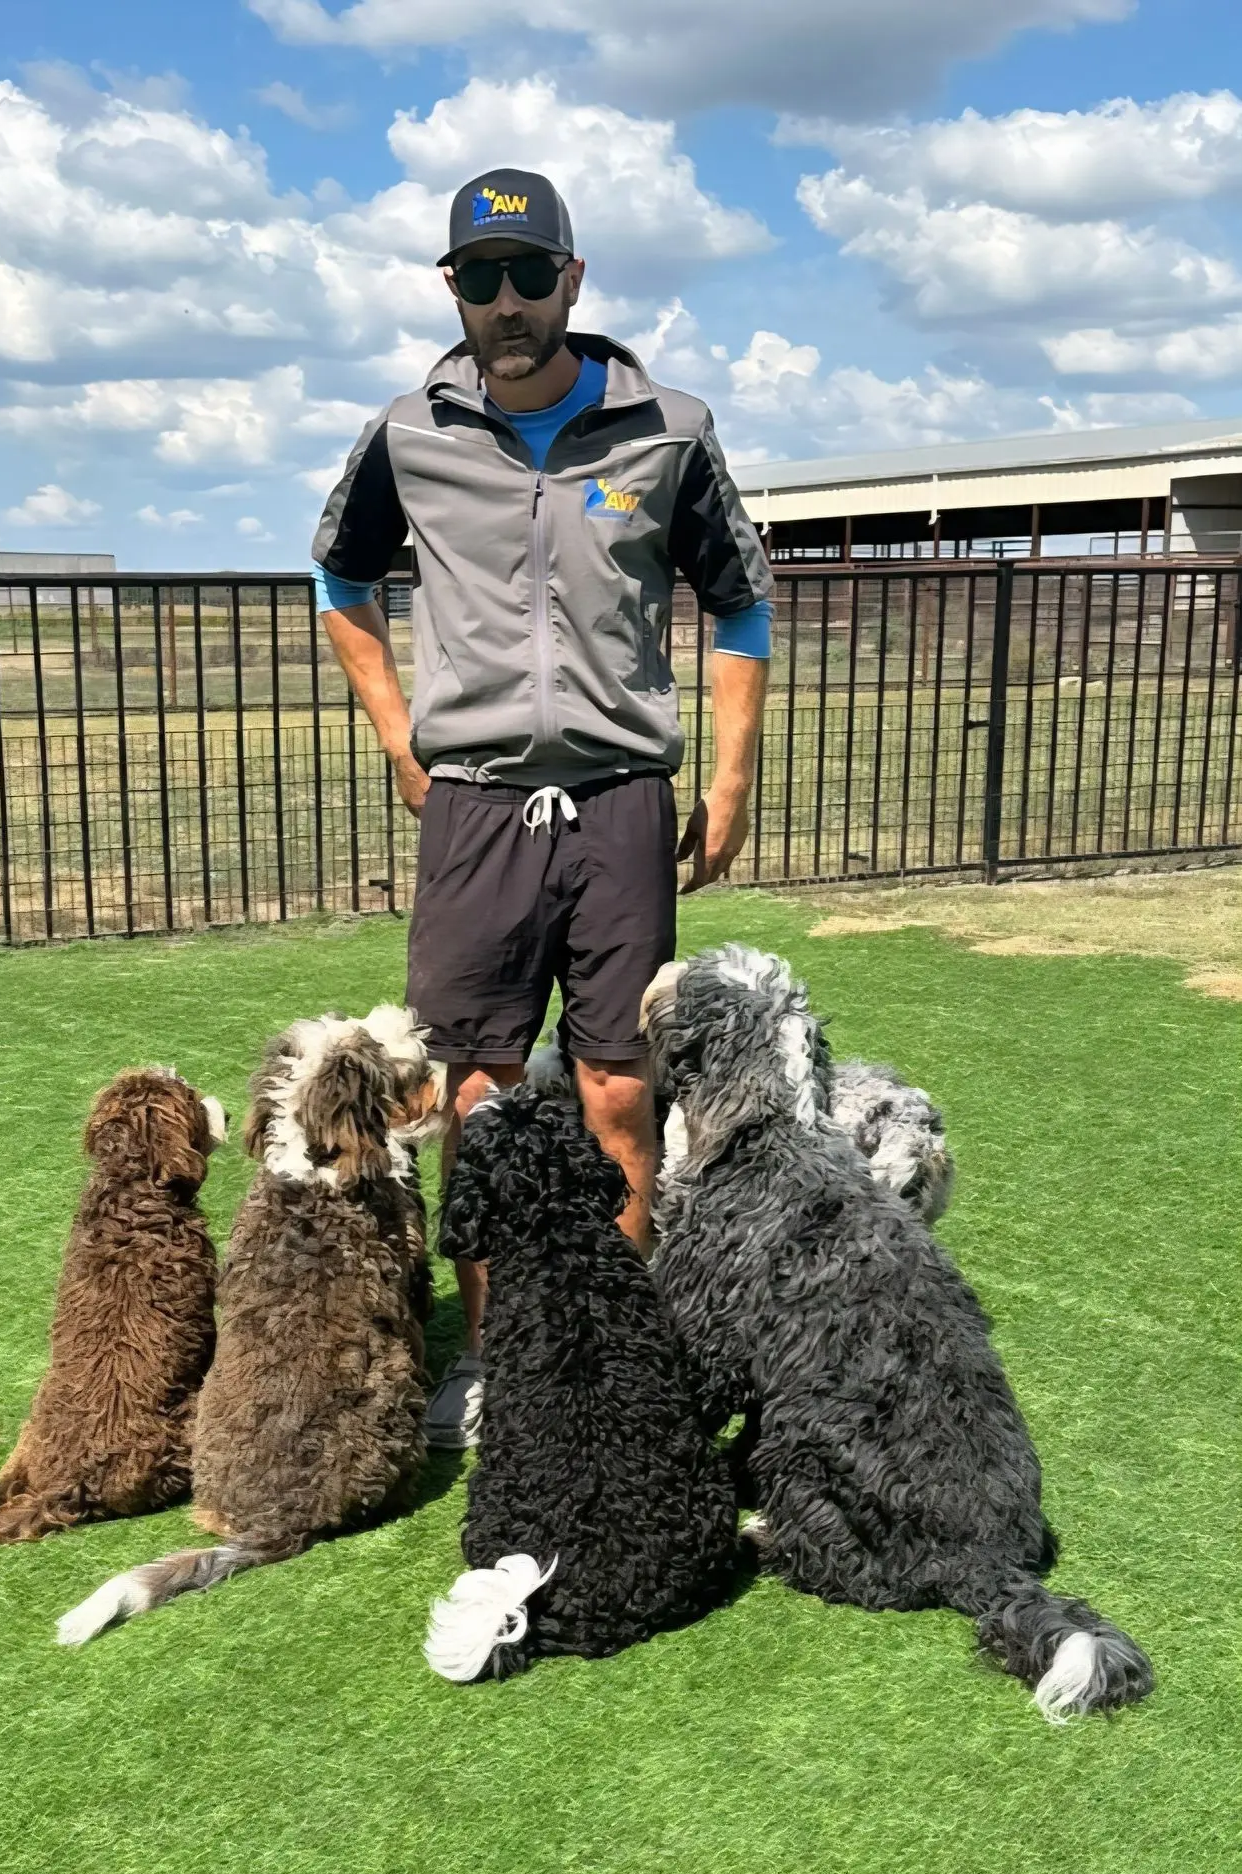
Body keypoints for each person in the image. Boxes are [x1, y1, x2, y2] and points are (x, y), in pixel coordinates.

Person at [312, 168, 772, 1448]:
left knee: (619, 1092)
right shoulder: (410, 433)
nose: (505, 303)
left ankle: (610, 1347)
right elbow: (338, 580)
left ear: (571, 280)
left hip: (622, 800)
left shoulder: (666, 429)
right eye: (479, 278)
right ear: (451, 289)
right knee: (478, 1096)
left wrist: (727, 774)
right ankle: (502, 1358)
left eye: (529, 276)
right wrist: (401, 737)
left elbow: (739, 601)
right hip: (473, 810)